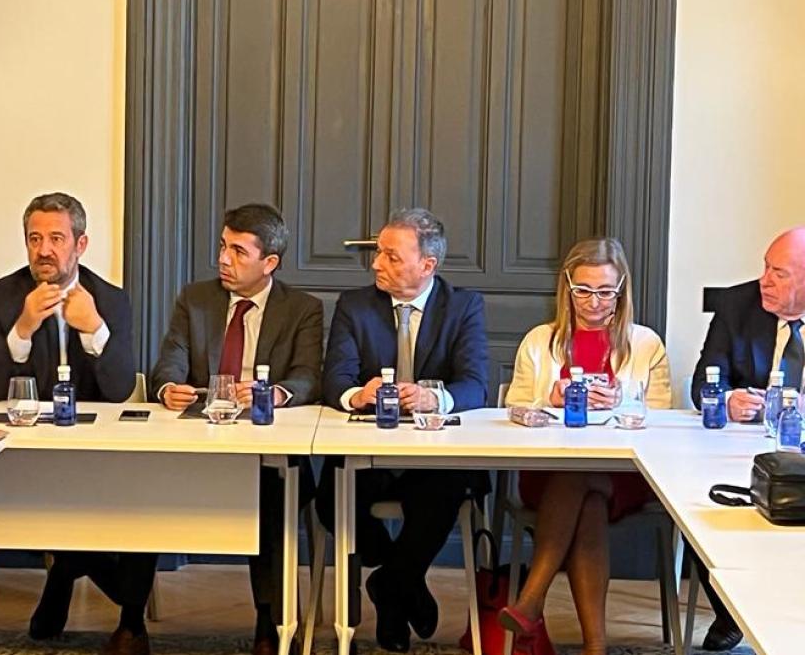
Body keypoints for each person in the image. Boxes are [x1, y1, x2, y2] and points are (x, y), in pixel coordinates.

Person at [0, 192, 149, 655]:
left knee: (148, 496)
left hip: (99, 450)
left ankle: (78, 584)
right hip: (28, 448)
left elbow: (116, 391)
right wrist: (23, 330)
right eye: (35, 238)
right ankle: (126, 606)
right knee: (38, 498)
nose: (44, 250)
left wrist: (94, 329)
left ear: (81, 244)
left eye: (56, 238)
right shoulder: (2, 295)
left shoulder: (109, 299)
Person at [150, 203, 323, 655]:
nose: (224, 260)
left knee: (270, 494)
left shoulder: (302, 308)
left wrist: (277, 393)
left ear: (270, 263)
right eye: (223, 247)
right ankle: (131, 619)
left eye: (239, 251)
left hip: (268, 448)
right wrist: (169, 386)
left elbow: (308, 375)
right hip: (199, 445)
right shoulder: (196, 298)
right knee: (141, 488)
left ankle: (268, 624)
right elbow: (170, 357)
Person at [318, 208, 489, 653]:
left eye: (391, 256)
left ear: (426, 266)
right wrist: (359, 394)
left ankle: (391, 588)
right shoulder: (355, 306)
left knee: (445, 488)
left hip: (432, 455)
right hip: (366, 449)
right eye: (378, 252)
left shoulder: (463, 306)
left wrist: (436, 398)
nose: (376, 263)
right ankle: (402, 578)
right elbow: (334, 380)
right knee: (330, 499)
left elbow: (475, 384)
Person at [500, 238, 671, 655]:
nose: (593, 302)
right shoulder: (540, 340)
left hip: (624, 475)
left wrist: (624, 399)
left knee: (584, 480)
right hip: (549, 471)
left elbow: (665, 418)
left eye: (605, 292)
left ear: (621, 291)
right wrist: (550, 398)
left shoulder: (645, 343)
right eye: (583, 291)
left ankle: (530, 601)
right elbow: (514, 407)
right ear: (567, 289)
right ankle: (595, 646)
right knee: (582, 489)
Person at [685, 226, 805, 650]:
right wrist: (728, 398)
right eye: (765, 268)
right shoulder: (738, 304)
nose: (765, 281)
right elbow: (701, 384)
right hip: (744, 454)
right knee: (697, 503)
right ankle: (730, 611)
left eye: (780, 273)